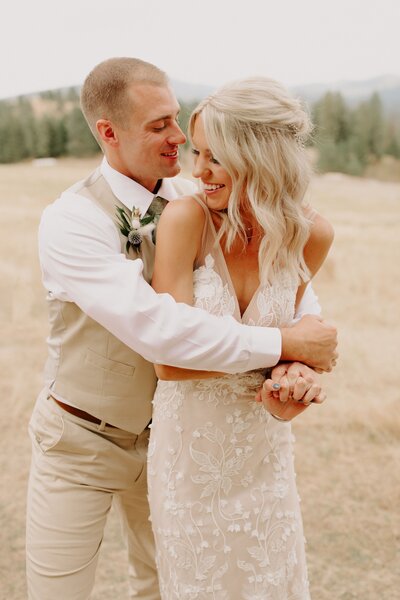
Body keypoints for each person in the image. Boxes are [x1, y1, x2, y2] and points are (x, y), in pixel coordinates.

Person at [26, 58, 337, 600]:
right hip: (83, 437)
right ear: (108, 133)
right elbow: (161, 331)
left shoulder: (197, 198)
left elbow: (291, 292)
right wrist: (286, 344)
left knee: (165, 587)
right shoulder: (72, 220)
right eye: (158, 126)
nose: (177, 140)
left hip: (175, 441)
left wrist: (297, 357)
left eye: (175, 119)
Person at [148, 76, 334, 599]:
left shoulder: (311, 234)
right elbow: (169, 360)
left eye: (215, 157)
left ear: (259, 157)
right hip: (190, 459)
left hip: (264, 456)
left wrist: (295, 380)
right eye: (197, 153)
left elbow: (291, 350)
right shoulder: (185, 219)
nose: (197, 171)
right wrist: (290, 348)